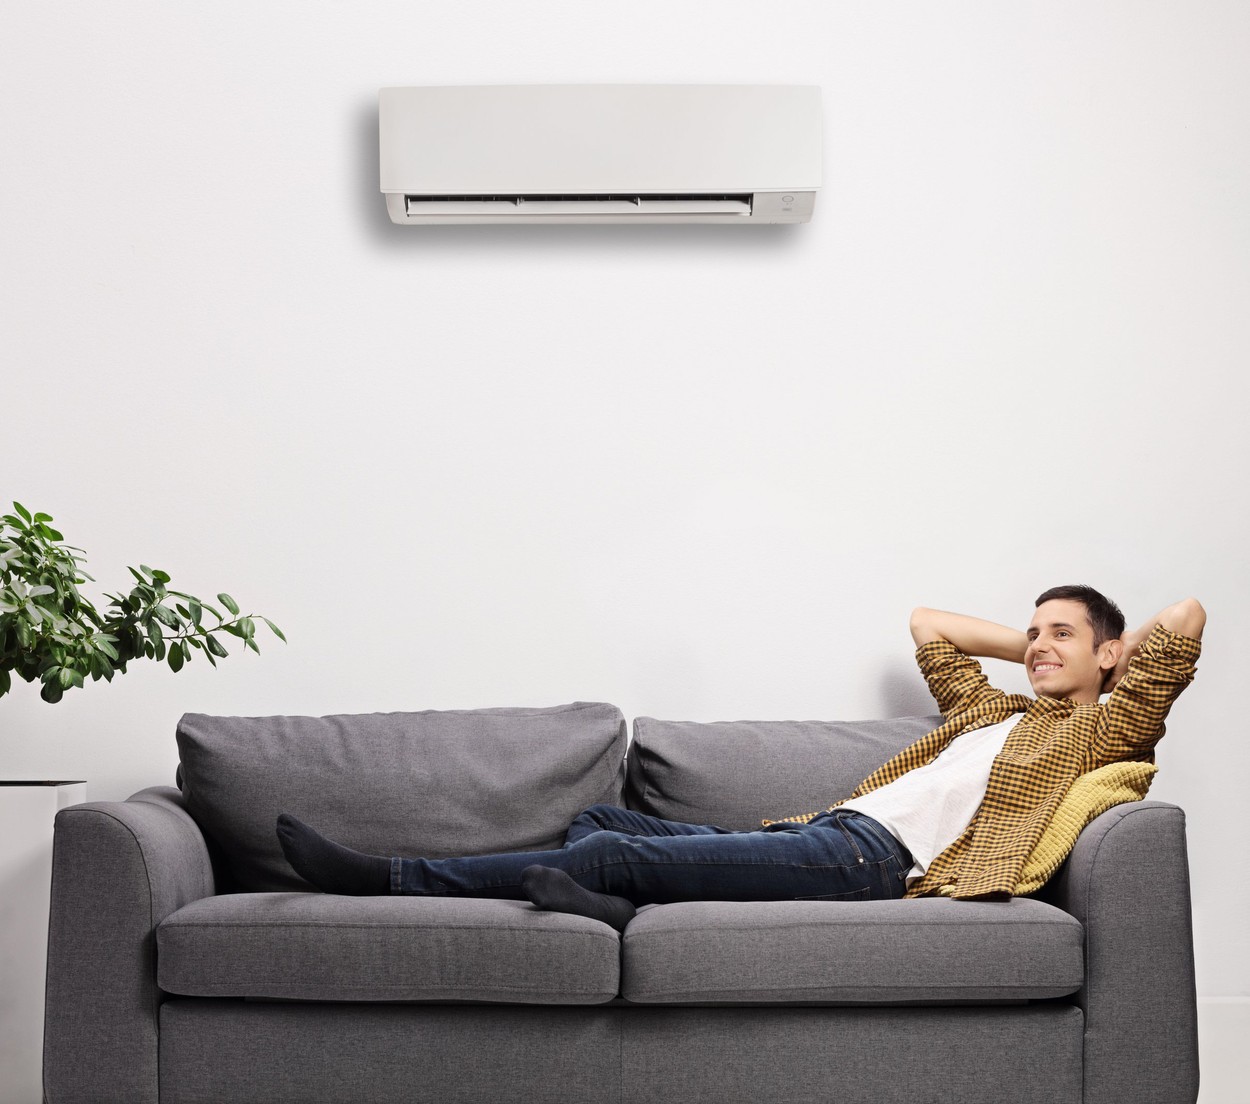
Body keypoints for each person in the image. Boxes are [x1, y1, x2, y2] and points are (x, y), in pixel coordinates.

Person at [277, 585, 1204, 931]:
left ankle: (386, 879)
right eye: (1034, 631)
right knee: (603, 821)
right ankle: (604, 904)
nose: (1040, 645)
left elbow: (1185, 621)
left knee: (610, 849)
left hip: (877, 863)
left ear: (1112, 655)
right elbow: (927, 626)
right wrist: (1034, 646)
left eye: (1062, 634)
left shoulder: (1102, 730)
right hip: (833, 831)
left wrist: (1098, 661)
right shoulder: (988, 712)